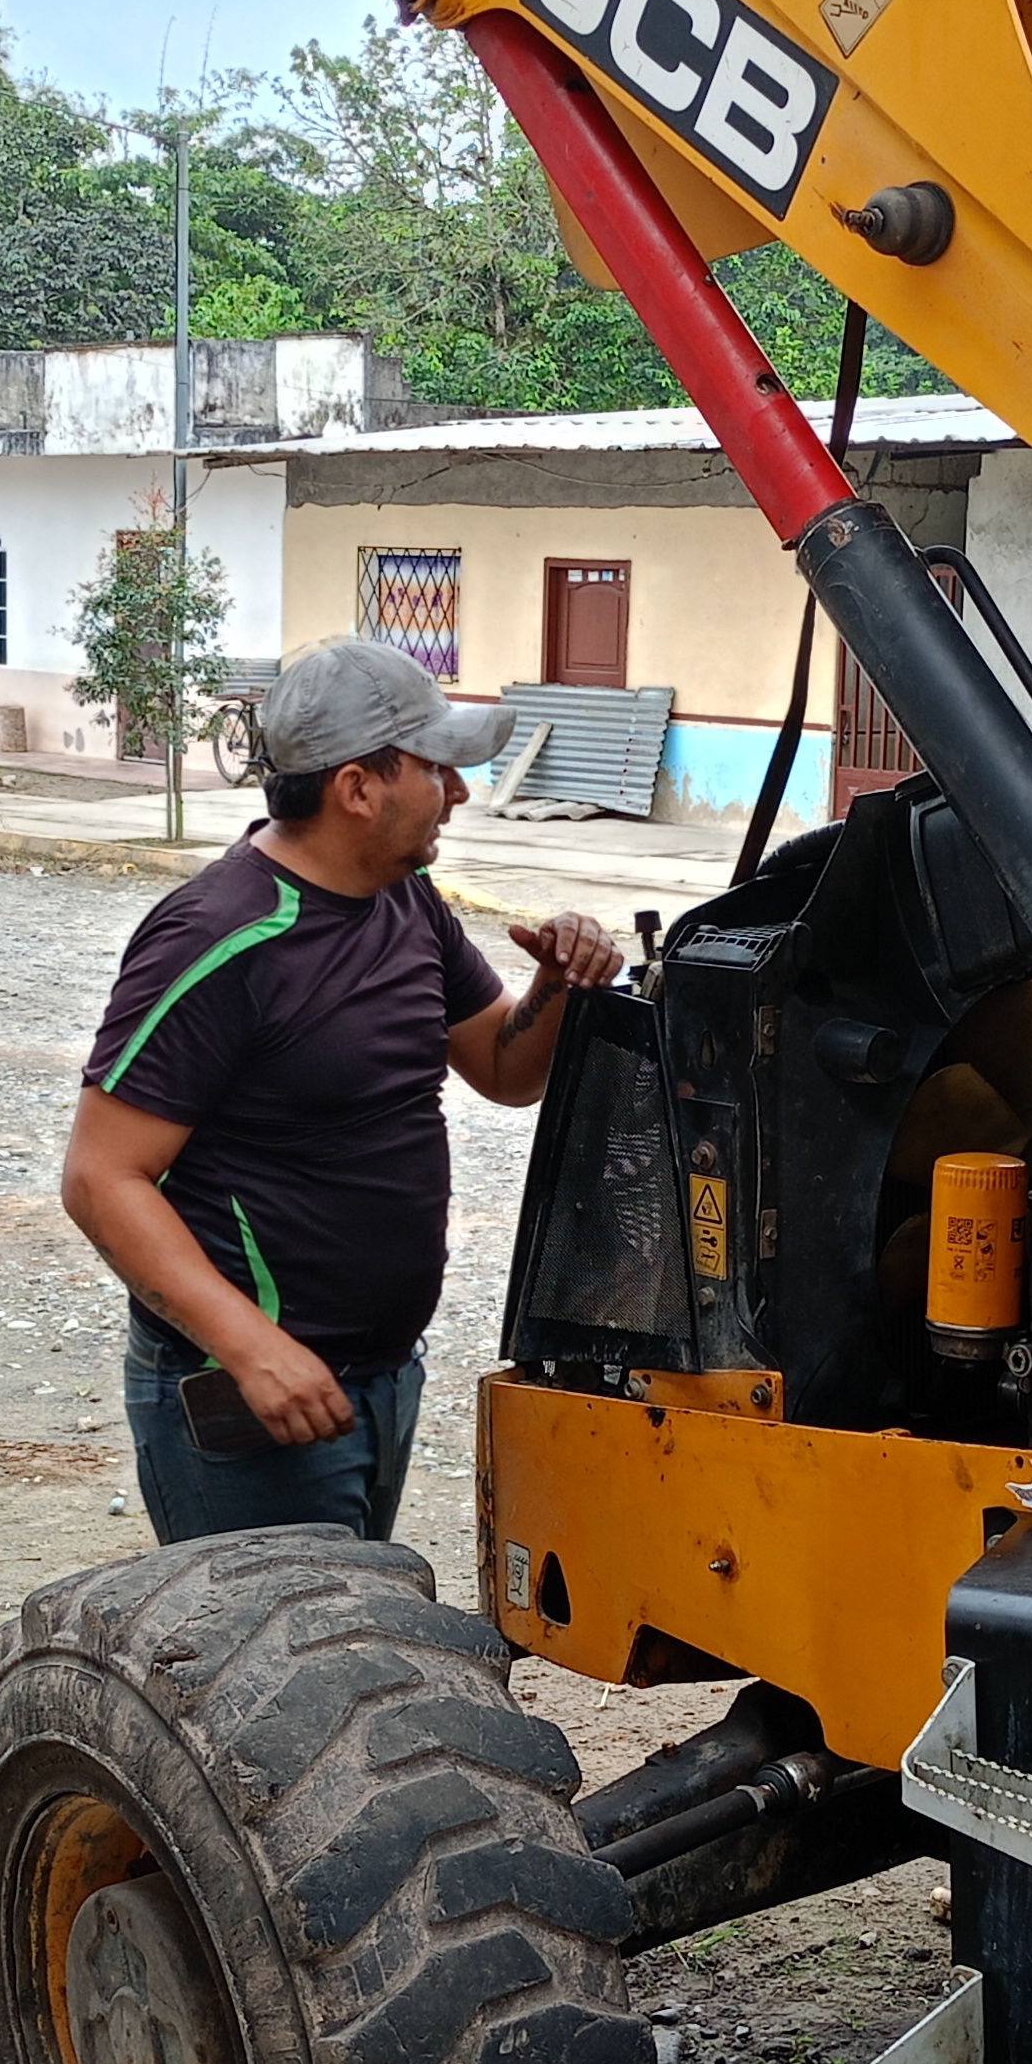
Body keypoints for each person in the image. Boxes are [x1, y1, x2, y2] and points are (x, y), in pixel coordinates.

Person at [66, 632, 623, 1541]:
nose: (459, 791)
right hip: (256, 1406)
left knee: (349, 1619)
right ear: (358, 788)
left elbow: (502, 1070)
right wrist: (253, 1349)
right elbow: (100, 1178)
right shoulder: (218, 935)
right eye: (436, 768)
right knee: (267, 1638)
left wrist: (557, 985)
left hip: (378, 1382)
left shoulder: (406, 901)